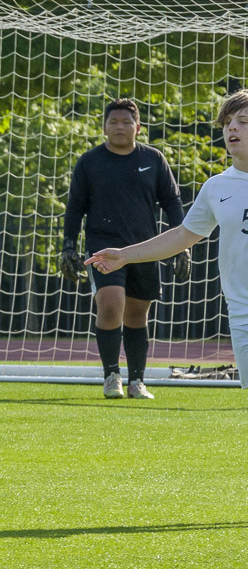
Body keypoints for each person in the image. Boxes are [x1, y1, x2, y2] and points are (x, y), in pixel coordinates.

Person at [87, 91, 248, 386]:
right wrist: (125, 254)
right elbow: (181, 236)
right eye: (227, 123)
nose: (232, 128)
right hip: (242, 314)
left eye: (243, 121)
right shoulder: (216, 187)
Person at [60, 99, 188, 400]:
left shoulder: (154, 159)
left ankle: (137, 381)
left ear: (138, 127)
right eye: (114, 122)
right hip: (102, 246)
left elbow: (171, 201)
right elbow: (75, 208)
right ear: (104, 127)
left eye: (126, 122)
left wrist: (182, 244)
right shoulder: (89, 162)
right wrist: (68, 246)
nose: (120, 127)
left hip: (145, 247)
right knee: (110, 303)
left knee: (136, 314)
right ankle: (111, 375)